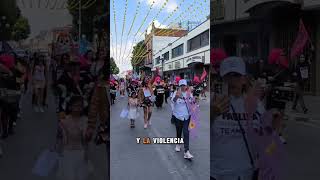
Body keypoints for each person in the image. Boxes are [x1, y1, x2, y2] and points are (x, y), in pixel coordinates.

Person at [211, 57, 265, 180]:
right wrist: (211, 114)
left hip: (247, 173)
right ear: (222, 79)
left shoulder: (255, 104)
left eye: (236, 76)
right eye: (228, 76)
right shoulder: (211, 101)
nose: (232, 81)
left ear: (244, 79)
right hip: (217, 174)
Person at [55, 96, 92, 180]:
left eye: (80, 106)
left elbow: (85, 139)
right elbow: (60, 137)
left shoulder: (84, 120)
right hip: (67, 153)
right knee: (69, 176)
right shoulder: (65, 120)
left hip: (80, 152)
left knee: (79, 176)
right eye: (75, 106)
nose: (77, 109)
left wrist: (88, 134)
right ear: (70, 107)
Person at [171, 79, 194, 159]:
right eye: (181, 85)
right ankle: (178, 144)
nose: (183, 87)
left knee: (186, 132)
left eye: (184, 85)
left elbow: (192, 102)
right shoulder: (176, 93)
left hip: (186, 116)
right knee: (179, 131)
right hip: (178, 116)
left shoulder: (189, 93)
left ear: (186, 86)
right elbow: (173, 101)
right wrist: (177, 96)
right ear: (179, 86)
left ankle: (186, 151)